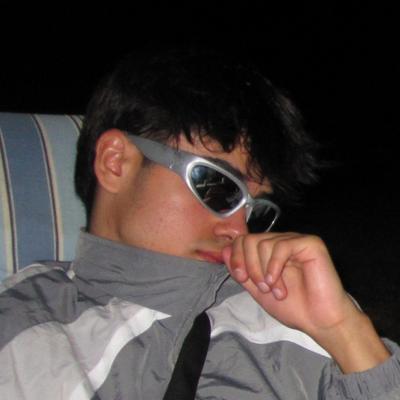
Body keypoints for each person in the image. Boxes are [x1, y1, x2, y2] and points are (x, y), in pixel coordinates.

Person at [1, 47, 399, 400]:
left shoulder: (295, 315)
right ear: (116, 162)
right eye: (217, 187)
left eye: (255, 211)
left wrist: (344, 331)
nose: (238, 230)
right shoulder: (21, 320)